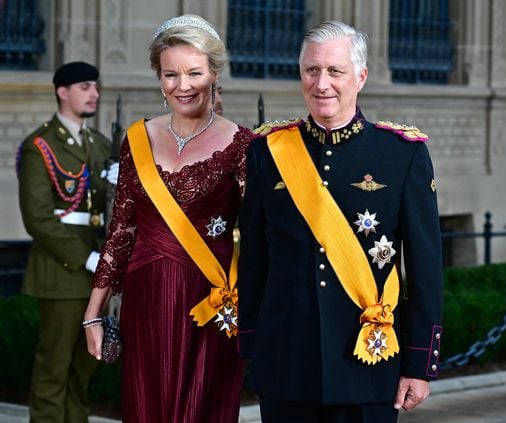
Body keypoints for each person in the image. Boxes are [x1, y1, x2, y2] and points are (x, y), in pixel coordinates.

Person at [238, 20, 443, 422]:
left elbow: (426, 269)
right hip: (286, 362)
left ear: (360, 77)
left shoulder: (401, 154)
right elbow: (254, 259)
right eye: (312, 70)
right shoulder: (267, 152)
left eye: (335, 71)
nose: (322, 83)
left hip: (368, 363)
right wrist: (250, 343)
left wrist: (419, 365)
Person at [83, 15, 251, 422]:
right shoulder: (137, 138)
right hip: (147, 299)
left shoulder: (243, 143)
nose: (183, 85)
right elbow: (121, 229)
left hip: (210, 305)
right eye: (170, 74)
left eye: (194, 72)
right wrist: (94, 313)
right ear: (159, 77)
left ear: (214, 74)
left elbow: (260, 236)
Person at [17, 61, 117, 422]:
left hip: (96, 275)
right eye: (86, 87)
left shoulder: (100, 143)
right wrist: (88, 258)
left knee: (83, 369)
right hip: (62, 272)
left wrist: (119, 183)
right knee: (53, 368)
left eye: (95, 87)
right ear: (63, 91)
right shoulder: (39, 146)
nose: (95, 94)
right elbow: (38, 219)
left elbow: (107, 208)